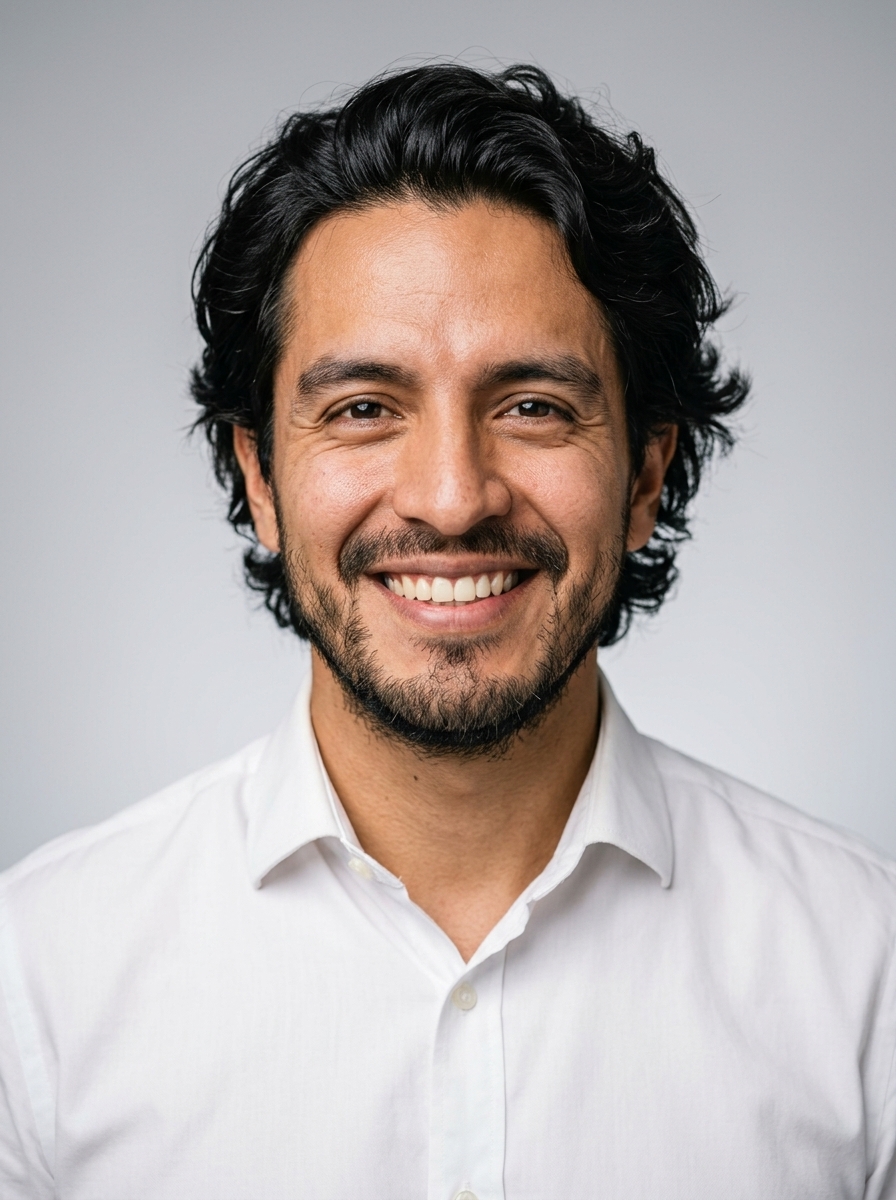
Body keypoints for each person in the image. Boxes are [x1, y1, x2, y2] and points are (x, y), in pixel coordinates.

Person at [0, 63, 893, 1200]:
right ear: (260, 478)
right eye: (363, 409)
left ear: (644, 476)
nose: (451, 495)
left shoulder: (870, 980)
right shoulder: (35, 985)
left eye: (531, 406)